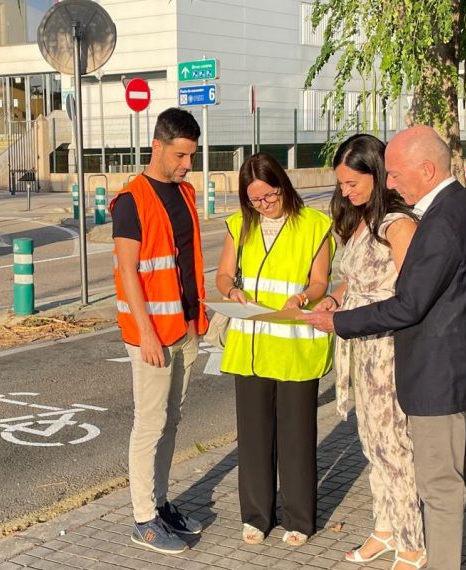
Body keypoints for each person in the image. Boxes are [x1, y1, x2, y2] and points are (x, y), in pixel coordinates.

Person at [300, 126, 466, 570]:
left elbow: (407, 306)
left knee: (438, 486)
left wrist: (337, 321)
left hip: (437, 376)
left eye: (396, 174)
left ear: (427, 168)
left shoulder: (436, 222)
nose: (391, 183)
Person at [214, 153, 335, 547]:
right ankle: (255, 516)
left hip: (294, 342)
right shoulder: (239, 225)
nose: (265, 206)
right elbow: (222, 275)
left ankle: (299, 518)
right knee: (253, 436)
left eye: (270, 196)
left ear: (284, 185)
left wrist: (303, 296)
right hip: (250, 344)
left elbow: (320, 281)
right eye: (255, 201)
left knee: (297, 435)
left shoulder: (316, 225)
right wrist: (230, 290)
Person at [316, 134, 426, 569]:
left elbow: (412, 293)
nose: (346, 192)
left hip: (389, 348)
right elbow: (358, 278)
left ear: (377, 174)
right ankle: (385, 528)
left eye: (352, 182)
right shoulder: (363, 220)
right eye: (341, 184)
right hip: (361, 345)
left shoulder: (400, 224)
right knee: (372, 444)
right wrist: (337, 297)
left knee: (395, 448)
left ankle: (412, 542)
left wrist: (355, 310)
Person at [110, 108, 209, 555]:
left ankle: (162, 503)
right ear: (158, 146)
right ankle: (143, 518)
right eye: (181, 155)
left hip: (185, 327)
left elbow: (184, 261)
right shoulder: (132, 199)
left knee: (171, 421)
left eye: (191, 155)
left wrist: (195, 321)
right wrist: (146, 334)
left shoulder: (184, 193)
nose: (187, 163)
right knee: (149, 424)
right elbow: (128, 271)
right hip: (152, 334)